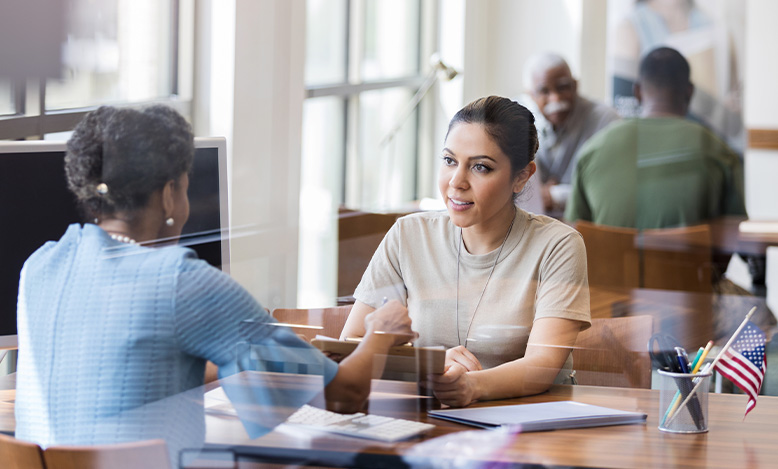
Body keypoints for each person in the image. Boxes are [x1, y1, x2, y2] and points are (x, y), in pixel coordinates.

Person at [14, 105, 414, 460]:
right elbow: (342, 396)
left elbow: (135, 363)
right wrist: (378, 334)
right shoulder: (182, 281)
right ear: (169, 195)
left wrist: (235, 358)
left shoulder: (40, 265)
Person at [340, 96, 591, 408]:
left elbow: (542, 364)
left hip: (530, 428)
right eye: (449, 161)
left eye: (480, 167)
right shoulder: (408, 235)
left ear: (522, 176)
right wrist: (430, 363)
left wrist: (472, 386)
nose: (456, 182)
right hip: (429, 423)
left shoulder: (558, 245)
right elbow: (349, 346)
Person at [565, 46, 746, 230]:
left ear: (637, 92)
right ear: (690, 92)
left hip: (609, 259)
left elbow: (574, 231)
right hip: (689, 259)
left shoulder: (592, 150)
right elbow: (736, 233)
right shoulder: (718, 150)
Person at [521, 53, 619, 214]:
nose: (556, 99)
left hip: (585, 228)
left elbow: (611, 188)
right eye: (544, 91)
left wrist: (555, 196)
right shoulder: (515, 118)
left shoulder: (605, 120)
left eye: (563, 87)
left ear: (575, 85)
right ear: (531, 95)